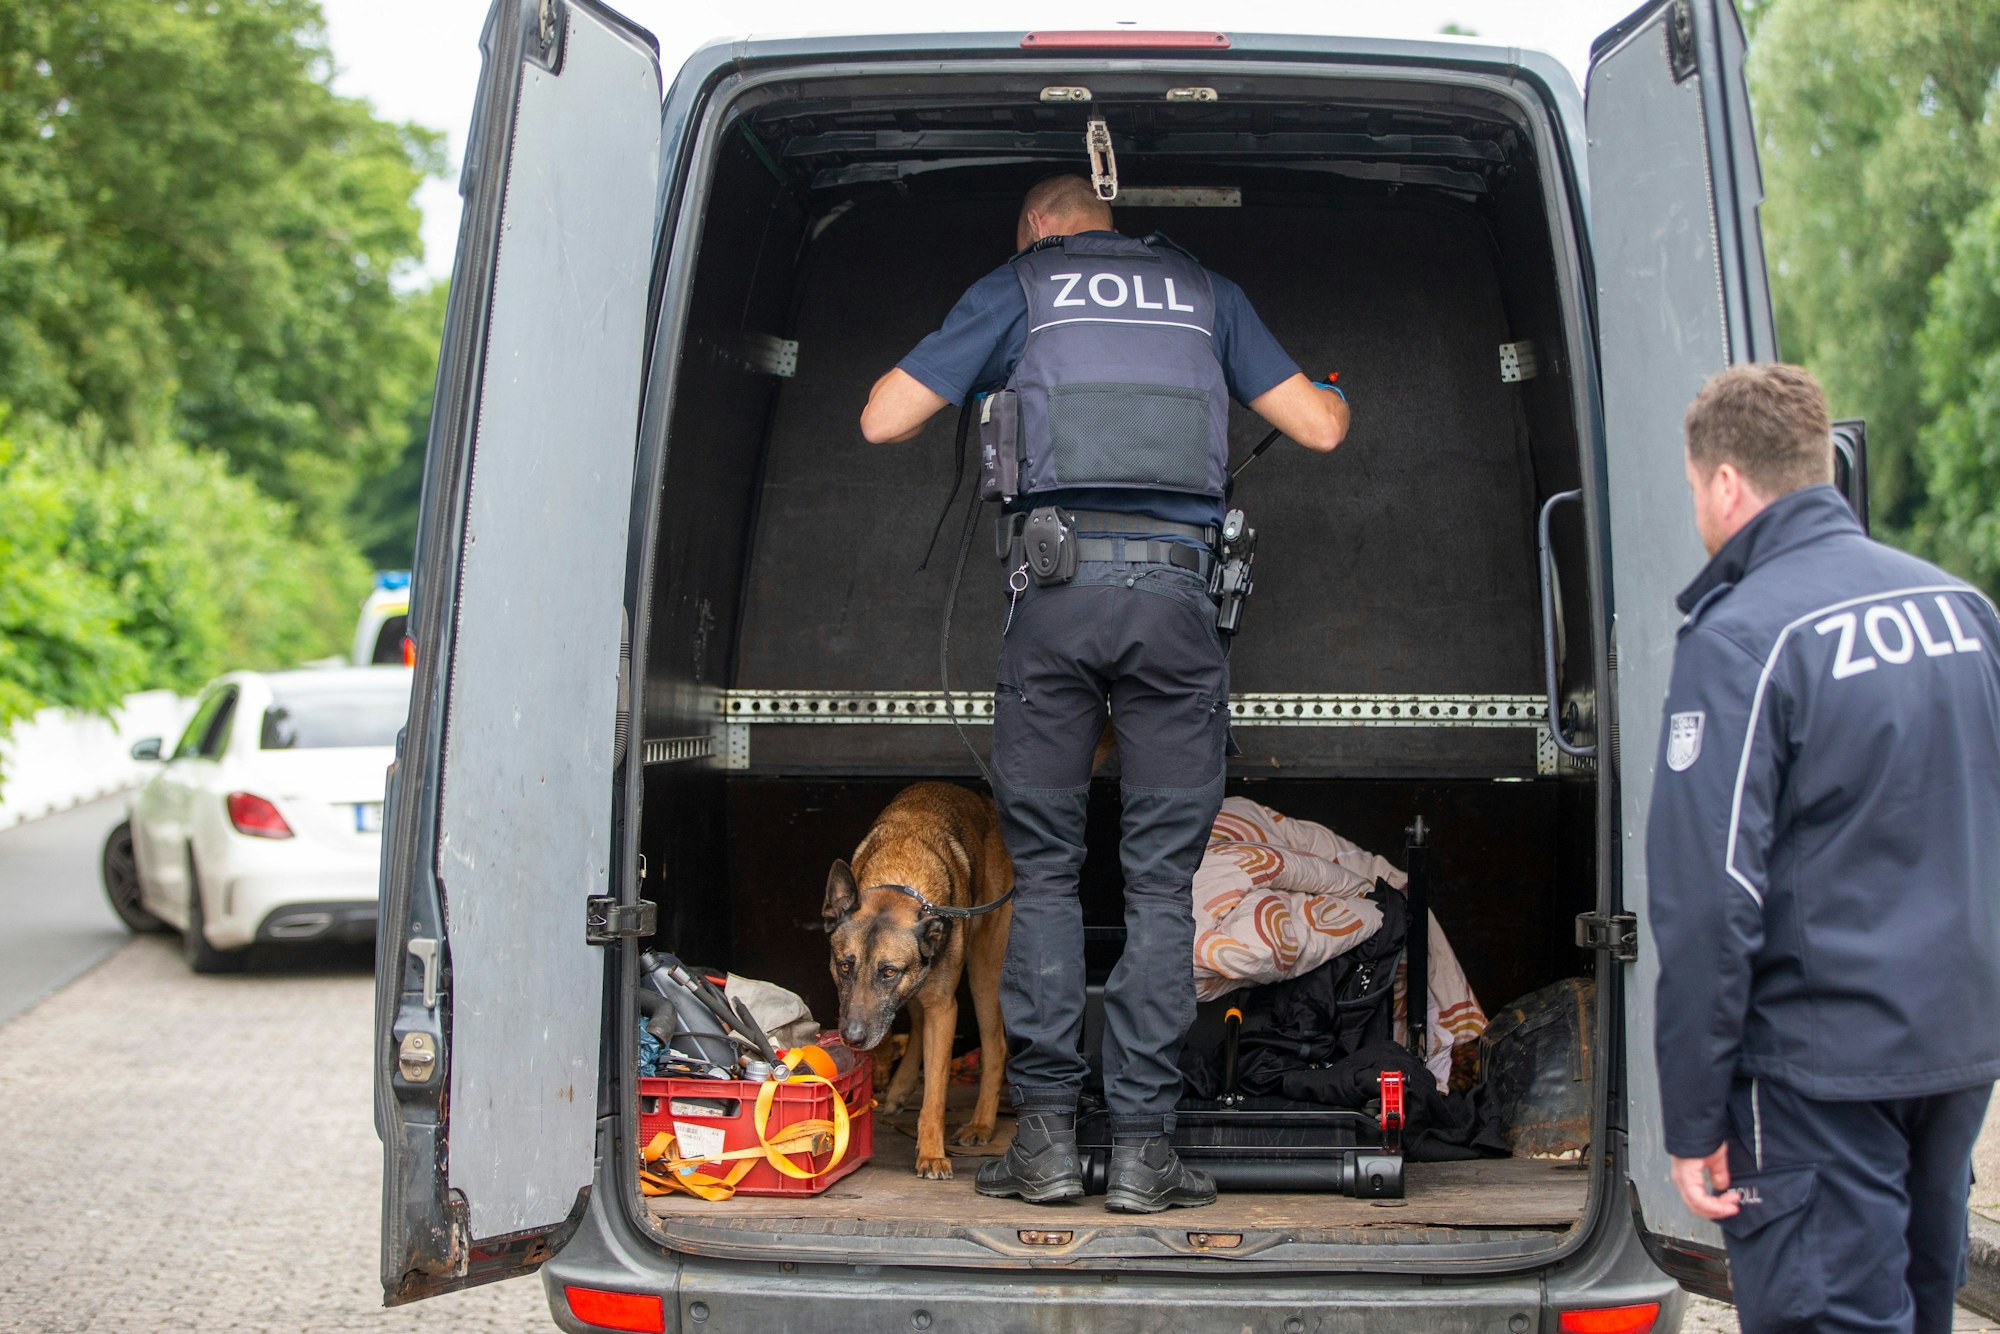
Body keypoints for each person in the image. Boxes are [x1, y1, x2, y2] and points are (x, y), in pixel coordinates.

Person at [859, 174, 1347, 1211]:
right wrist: (1335, 391)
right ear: (1107, 222)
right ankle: (1140, 1153)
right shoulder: (1205, 291)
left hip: (1056, 603)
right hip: (1176, 610)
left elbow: (880, 418)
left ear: (1035, 227)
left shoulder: (1021, 287)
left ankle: (1039, 1143)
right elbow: (1318, 428)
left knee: (1041, 878)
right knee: (1158, 889)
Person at [1647, 363, 2000, 1333]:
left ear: (1724, 482)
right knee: (1917, 1308)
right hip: (1952, 1054)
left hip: (1816, 1070)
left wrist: (1691, 1115)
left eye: (1691, 490)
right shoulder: (1959, 611)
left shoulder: (1742, 638)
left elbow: (1707, 896)